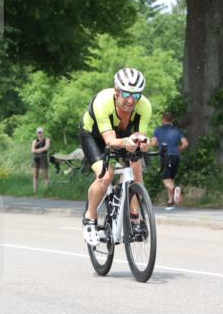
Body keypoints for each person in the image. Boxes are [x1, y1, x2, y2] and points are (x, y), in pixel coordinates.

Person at [81, 68, 152, 246]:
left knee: (137, 170)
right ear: (116, 91)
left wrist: (143, 142)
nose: (130, 100)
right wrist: (128, 140)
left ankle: (135, 218)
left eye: (136, 96)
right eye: (126, 94)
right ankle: (90, 217)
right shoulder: (103, 102)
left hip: (124, 135)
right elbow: (110, 141)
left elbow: (139, 135)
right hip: (95, 136)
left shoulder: (144, 106)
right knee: (106, 176)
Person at [150, 111, 189, 210]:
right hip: (176, 156)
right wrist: (178, 149)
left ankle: (176, 190)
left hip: (165, 156)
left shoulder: (158, 130)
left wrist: (156, 144)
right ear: (172, 120)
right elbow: (185, 144)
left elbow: (153, 143)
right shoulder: (177, 131)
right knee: (171, 178)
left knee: (166, 179)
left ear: (163, 119)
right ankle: (170, 201)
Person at [32, 127, 50, 195]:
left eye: (41, 132)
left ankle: (46, 191)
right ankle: (35, 192)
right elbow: (32, 150)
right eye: (39, 132)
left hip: (43, 158)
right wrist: (40, 150)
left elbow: (46, 147)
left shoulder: (47, 140)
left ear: (43, 133)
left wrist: (37, 150)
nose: (40, 134)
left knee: (45, 175)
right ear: (37, 133)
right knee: (35, 175)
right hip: (36, 158)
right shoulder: (34, 141)